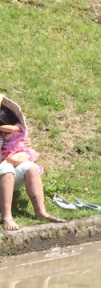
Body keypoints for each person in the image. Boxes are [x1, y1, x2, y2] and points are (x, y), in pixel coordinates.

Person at [0, 96, 64, 231]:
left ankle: (40, 212)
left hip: (7, 175)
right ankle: (7, 216)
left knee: (30, 167)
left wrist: (18, 154)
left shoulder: (9, 134)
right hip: (4, 170)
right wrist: (8, 161)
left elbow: (22, 152)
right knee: (6, 167)